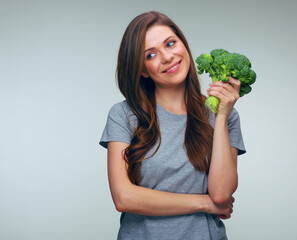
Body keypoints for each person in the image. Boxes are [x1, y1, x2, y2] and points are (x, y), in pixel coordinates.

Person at [99, 11, 246, 240]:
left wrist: (220, 116)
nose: (167, 57)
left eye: (170, 43)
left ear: (183, 45)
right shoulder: (124, 115)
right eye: (150, 55)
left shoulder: (226, 117)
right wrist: (204, 203)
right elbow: (123, 198)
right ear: (141, 69)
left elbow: (221, 194)